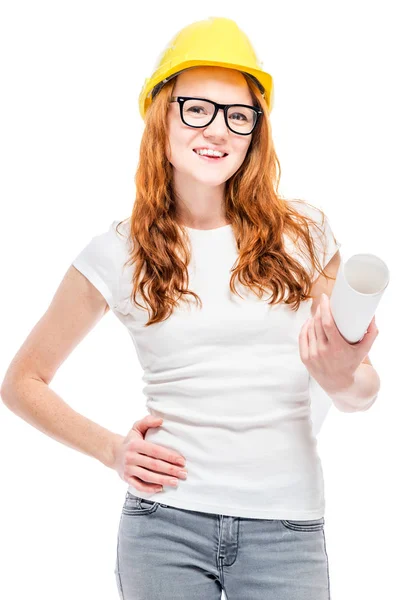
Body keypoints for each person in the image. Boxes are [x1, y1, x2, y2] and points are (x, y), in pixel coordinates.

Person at [1, 16, 380, 600]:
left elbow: (362, 393)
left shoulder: (305, 235)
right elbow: (22, 381)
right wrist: (112, 450)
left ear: (256, 131)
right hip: (163, 529)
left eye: (238, 114)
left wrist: (343, 376)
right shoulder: (117, 252)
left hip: (287, 530)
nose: (218, 129)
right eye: (196, 108)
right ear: (162, 116)